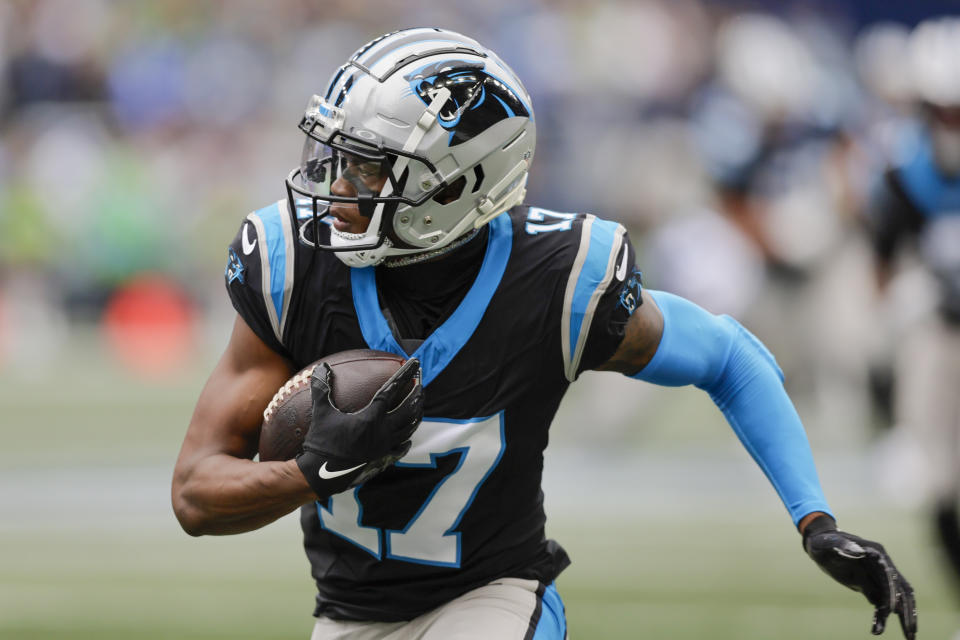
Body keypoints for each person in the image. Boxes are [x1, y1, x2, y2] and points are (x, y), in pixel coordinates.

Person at [172, 28, 917, 639]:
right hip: (347, 616)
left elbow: (728, 356)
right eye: (339, 161)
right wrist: (311, 473)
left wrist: (814, 520)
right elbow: (196, 494)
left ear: (457, 186)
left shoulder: (556, 280)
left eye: (369, 173)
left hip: (492, 601)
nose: (336, 191)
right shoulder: (295, 268)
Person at [864, 16, 960, 610]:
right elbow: (883, 263)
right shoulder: (906, 170)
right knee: (943, 485)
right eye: (942, 111)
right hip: (943, 339)